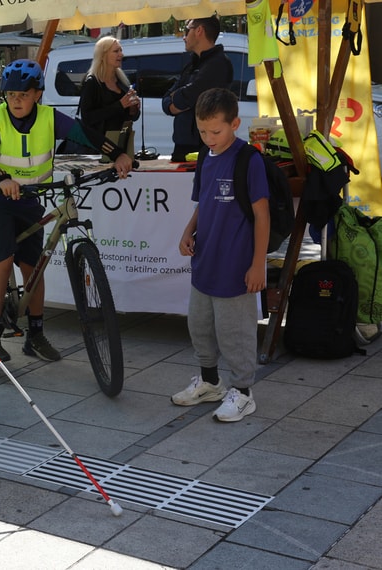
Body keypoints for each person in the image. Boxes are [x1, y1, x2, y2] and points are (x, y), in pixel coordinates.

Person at [0, 59, 133, 364]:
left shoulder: (49, 117)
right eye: (10, 95)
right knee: (4, 258)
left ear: (37, 94)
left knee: (34, 266)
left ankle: (35, 334)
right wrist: (3, 179)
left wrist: (118, 154)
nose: (15, 101)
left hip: (30, 196)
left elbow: (85, 134)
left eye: (22, 94)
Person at [172, 87, 268, 422]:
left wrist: (258, 265)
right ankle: (210, 382)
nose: (210, 138)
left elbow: (262, 215)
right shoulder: (205, 158)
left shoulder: (249, 159)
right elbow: (204, 202)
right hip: (205, 262)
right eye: (203, 131)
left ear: (235, 124)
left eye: (217, 131)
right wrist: (187, 231)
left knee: (235, 331)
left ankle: (243, 392)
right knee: (199, 325)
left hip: (235, 266)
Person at [162, 16, 233, 162]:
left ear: (199, 30)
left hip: (205, 145)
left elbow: (188, 97)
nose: (183, 36)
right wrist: (177, 99)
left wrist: (178, 98)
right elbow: (166, 100)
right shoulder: (192, 64)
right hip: (183, 145)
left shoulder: (218, 64)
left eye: (186, 30)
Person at [76, 36, 141, 154]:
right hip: (99, 146)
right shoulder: (92, 82)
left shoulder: (121, 81)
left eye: (121, 50)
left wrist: (133, 109)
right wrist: (119, 105)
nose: (121, 54)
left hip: (121, 142)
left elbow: (131, 117)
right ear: (102, 55)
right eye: (116, 51)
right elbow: (87, 118)